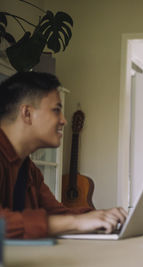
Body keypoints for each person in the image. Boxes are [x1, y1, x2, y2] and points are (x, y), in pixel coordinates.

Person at [0, 71, 127, 239]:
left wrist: (104, 216)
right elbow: (66, 222)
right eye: (56, 110)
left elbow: (57, 214)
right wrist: (76, 223)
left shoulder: (27, 168)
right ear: (27, 114)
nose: (64, 120)